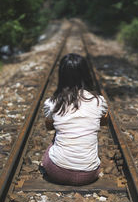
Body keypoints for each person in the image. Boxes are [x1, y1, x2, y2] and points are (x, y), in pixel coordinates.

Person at [42, 53, 108, 186]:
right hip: (89, 174)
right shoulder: (98, 101)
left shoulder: (52, 102)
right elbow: (104, 122)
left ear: (62, 76)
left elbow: (49, 126)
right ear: (86, 74)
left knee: (55, 140)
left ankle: (62, 160)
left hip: (57, 172)